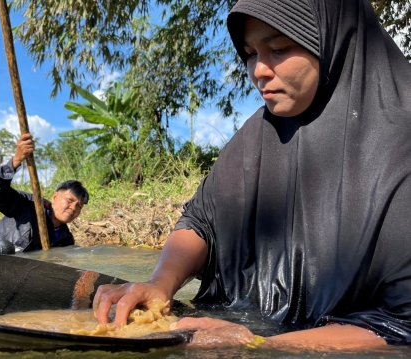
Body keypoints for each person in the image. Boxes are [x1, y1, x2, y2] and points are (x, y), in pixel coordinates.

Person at [93, 0, 411, 351]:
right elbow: (201, 221)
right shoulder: (259, 133)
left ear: (331, 40)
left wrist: (257, 345)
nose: (258, 69)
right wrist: (160, 283)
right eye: (249, 53)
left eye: (278, 48)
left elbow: (401, 324)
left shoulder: (401, 144)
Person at [0, 133, 89, 254]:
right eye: (70, 200)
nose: (73, 208)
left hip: (9, 270)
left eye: (79, 206)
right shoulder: (29, 205)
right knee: (4, 247)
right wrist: (16, 160)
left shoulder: (66, 240)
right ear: (55, 197)